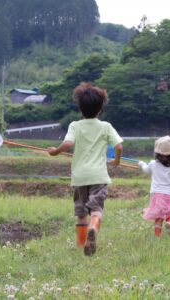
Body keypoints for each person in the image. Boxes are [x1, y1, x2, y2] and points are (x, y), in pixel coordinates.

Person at [47, 82, 123, 256]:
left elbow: (68, 143)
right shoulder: (106, 127)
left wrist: (55, 152)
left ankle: (82, 245)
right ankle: (93, 229)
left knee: (81, 213)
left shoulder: (75, 125)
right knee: (96, 210)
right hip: (98, 176)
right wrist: (116, 162)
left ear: (80, 109)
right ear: (100, 109)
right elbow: (118, 147)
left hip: (80, 177)